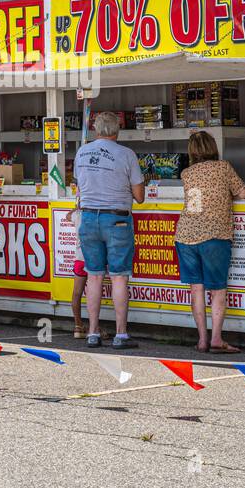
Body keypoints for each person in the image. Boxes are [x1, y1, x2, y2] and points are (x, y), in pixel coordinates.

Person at [175, 131, 245, 354]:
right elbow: (244, 193)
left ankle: (202, 340)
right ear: (212, 147)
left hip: (186, 235)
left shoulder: (186, 173)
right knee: (217, 290)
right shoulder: (223, 167)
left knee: (196, 289)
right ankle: (216, 339)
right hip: (214, 235)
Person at [75, 111, 145, 349]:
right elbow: (140, 197)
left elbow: (79, 187)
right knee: (118, 277)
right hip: (117, 220)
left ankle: (93, 332)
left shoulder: (81, 152)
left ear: (96, 129)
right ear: (118, 130)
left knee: (93, 276)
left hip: (88, 218)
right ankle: (120, 334)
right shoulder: (126, 154)